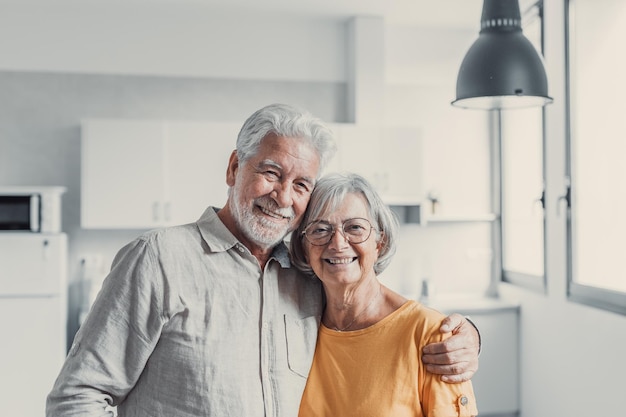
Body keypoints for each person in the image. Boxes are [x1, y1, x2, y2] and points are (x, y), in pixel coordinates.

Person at [47, 103, 479, 417]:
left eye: (301, 184)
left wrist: (467, 335)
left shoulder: (305, 276)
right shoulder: (160, 258)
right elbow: (79, 396)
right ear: (235, 168)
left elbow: (372, 308)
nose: (283, 196)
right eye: (271, 172)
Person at [291, 172, 478, 417]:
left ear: (380, 242)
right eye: (320, 230)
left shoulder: (430, 334)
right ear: (304, 248)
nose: (337, 243)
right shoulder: (296, 328)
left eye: (355, 227)